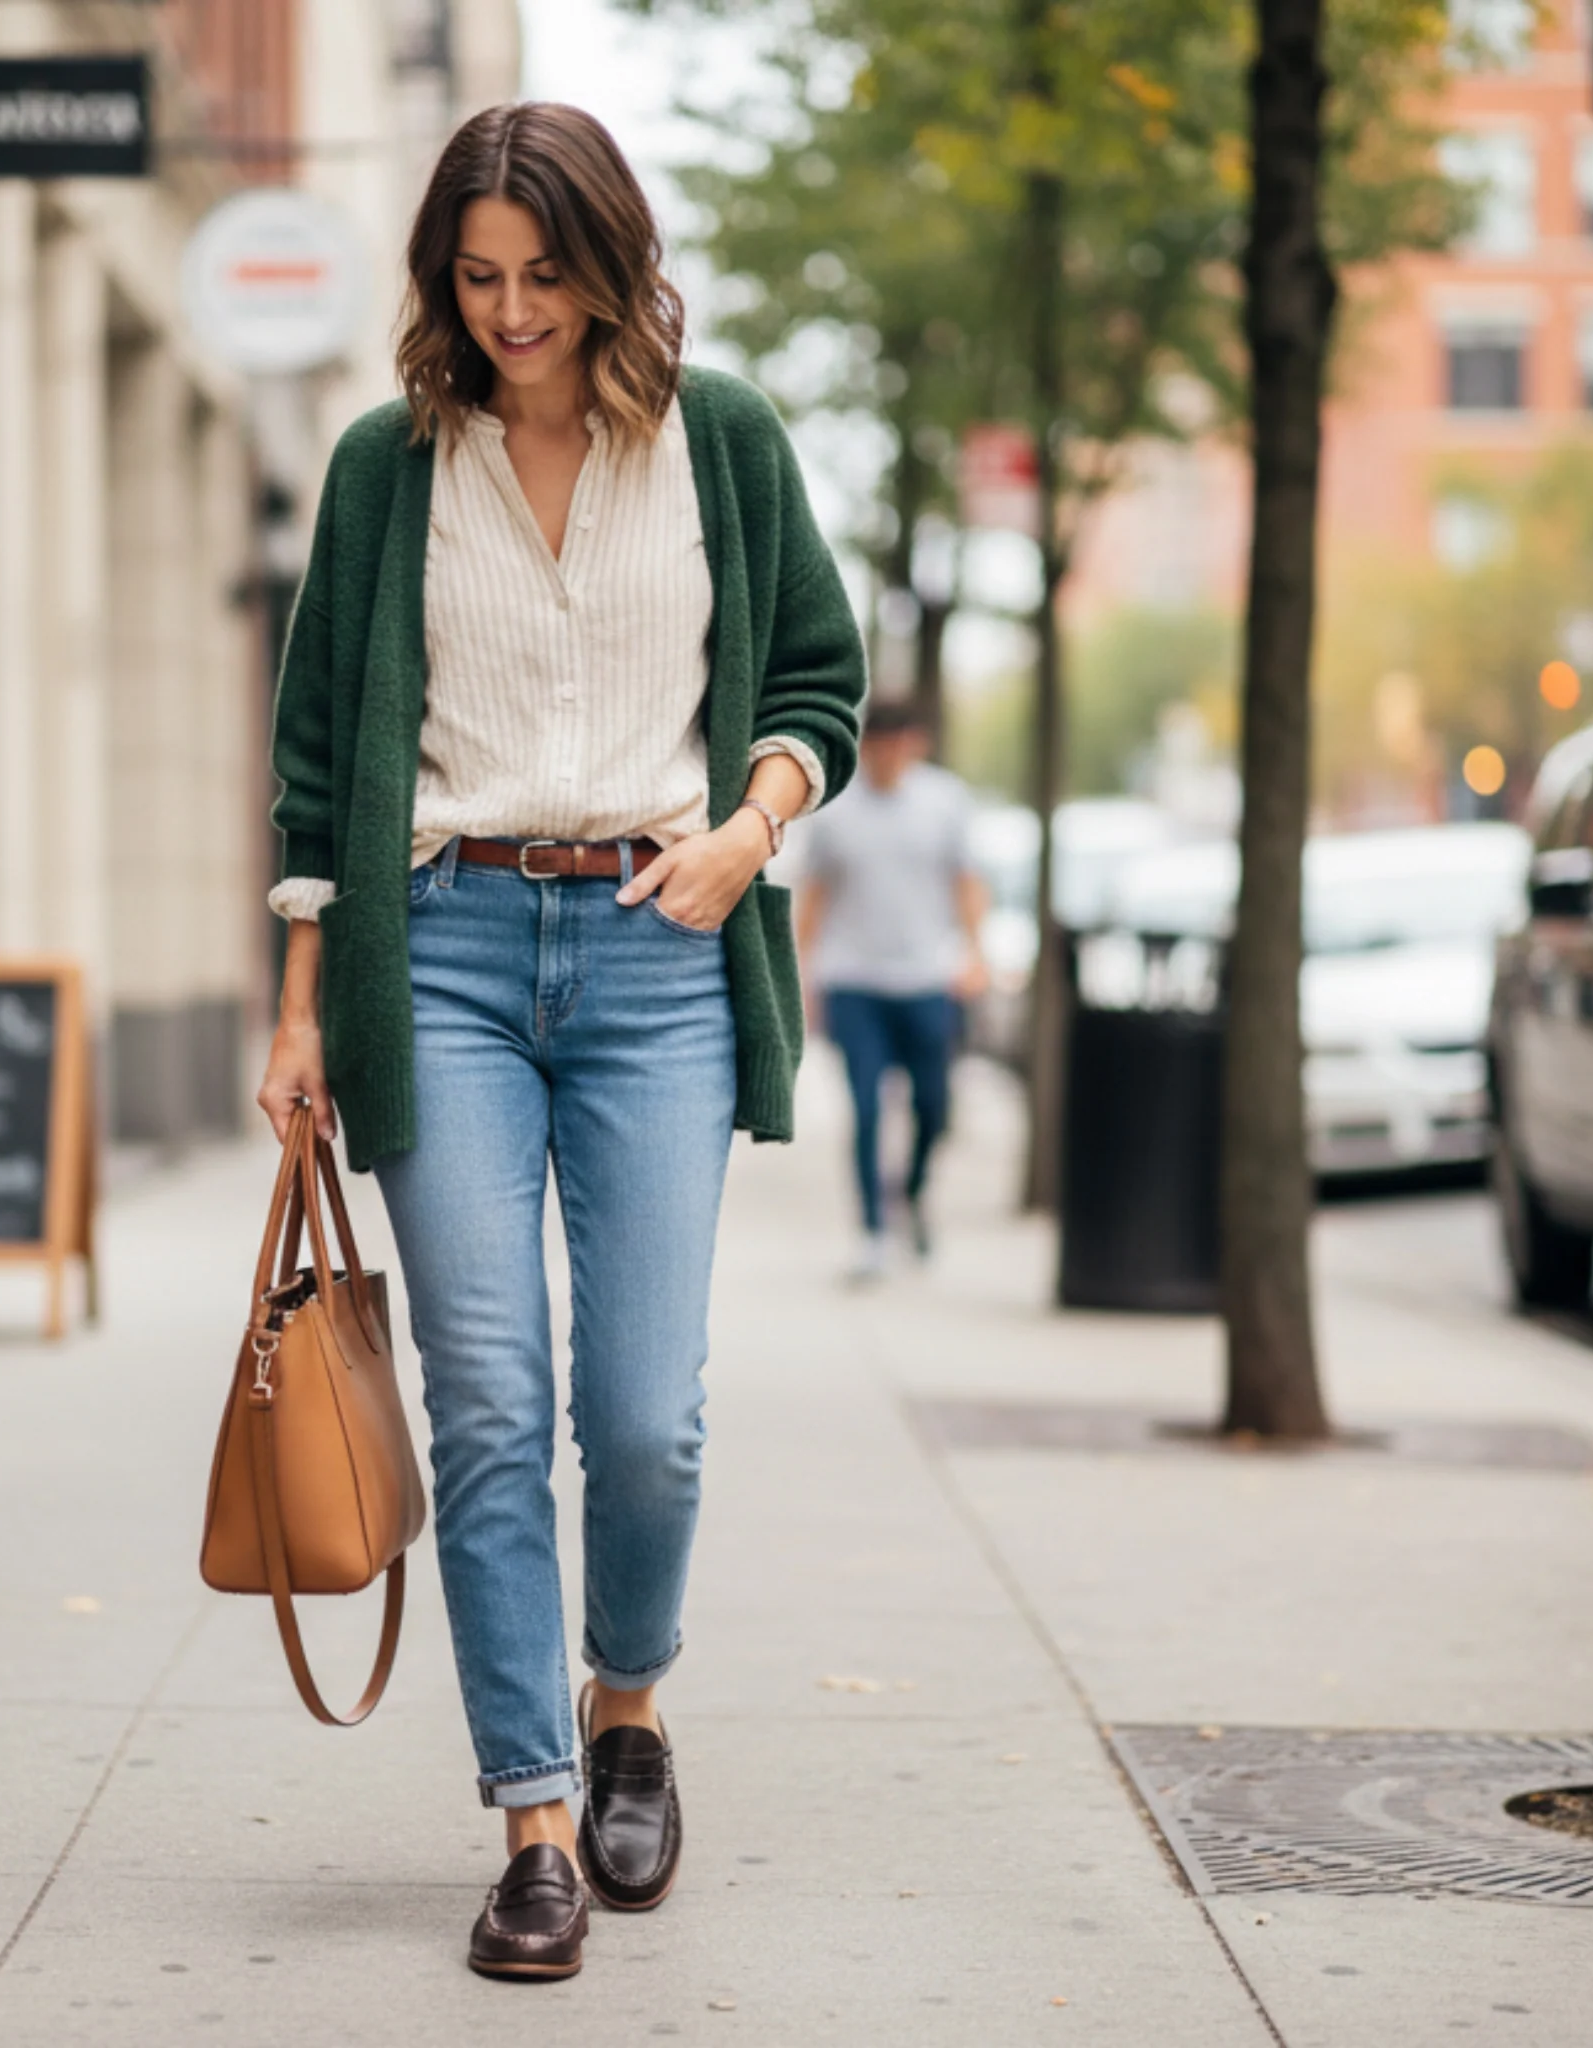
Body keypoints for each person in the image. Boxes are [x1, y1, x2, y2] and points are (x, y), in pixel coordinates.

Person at [255, 102, 864, 1983]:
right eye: (477, 276)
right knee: (493, 1404)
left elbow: (817, 684)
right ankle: (531, 1818)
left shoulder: (723, 442)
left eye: (544, 274)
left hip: (657, 945)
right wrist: (300, 1008)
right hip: (436, 949)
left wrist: (746, 833)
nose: (511, 311)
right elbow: (315, 762)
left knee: (646, 1416)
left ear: (613, 265)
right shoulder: (386, 468)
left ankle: (629, 1702)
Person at [794, 696, 987, 1280]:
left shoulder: (945, 801)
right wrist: (805, 975)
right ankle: (873, 1231)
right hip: (854, 979)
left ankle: (914, 1189)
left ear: (917, 745)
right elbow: (814, 896)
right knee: (866, 1107)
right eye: (880, 744)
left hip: (927, 977)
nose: (891, 755)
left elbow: (966, 882)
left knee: (933, 1104)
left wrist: (975, 953)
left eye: (901, 743)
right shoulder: (836, 811)